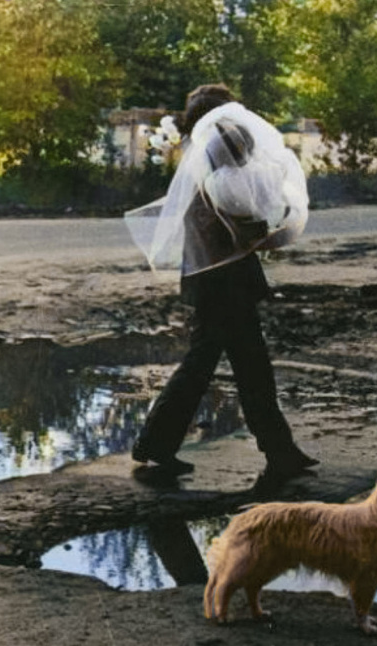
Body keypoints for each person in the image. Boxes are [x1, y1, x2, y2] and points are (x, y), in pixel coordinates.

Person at [129, 83, 317, 482]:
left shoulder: (207, 166)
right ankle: (277, 452)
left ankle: (160, 444)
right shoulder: (219, 175)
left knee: (230, 364)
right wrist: (271, 224)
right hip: (223, 282)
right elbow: (239, 224)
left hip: (217, 279)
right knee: (240, 366)